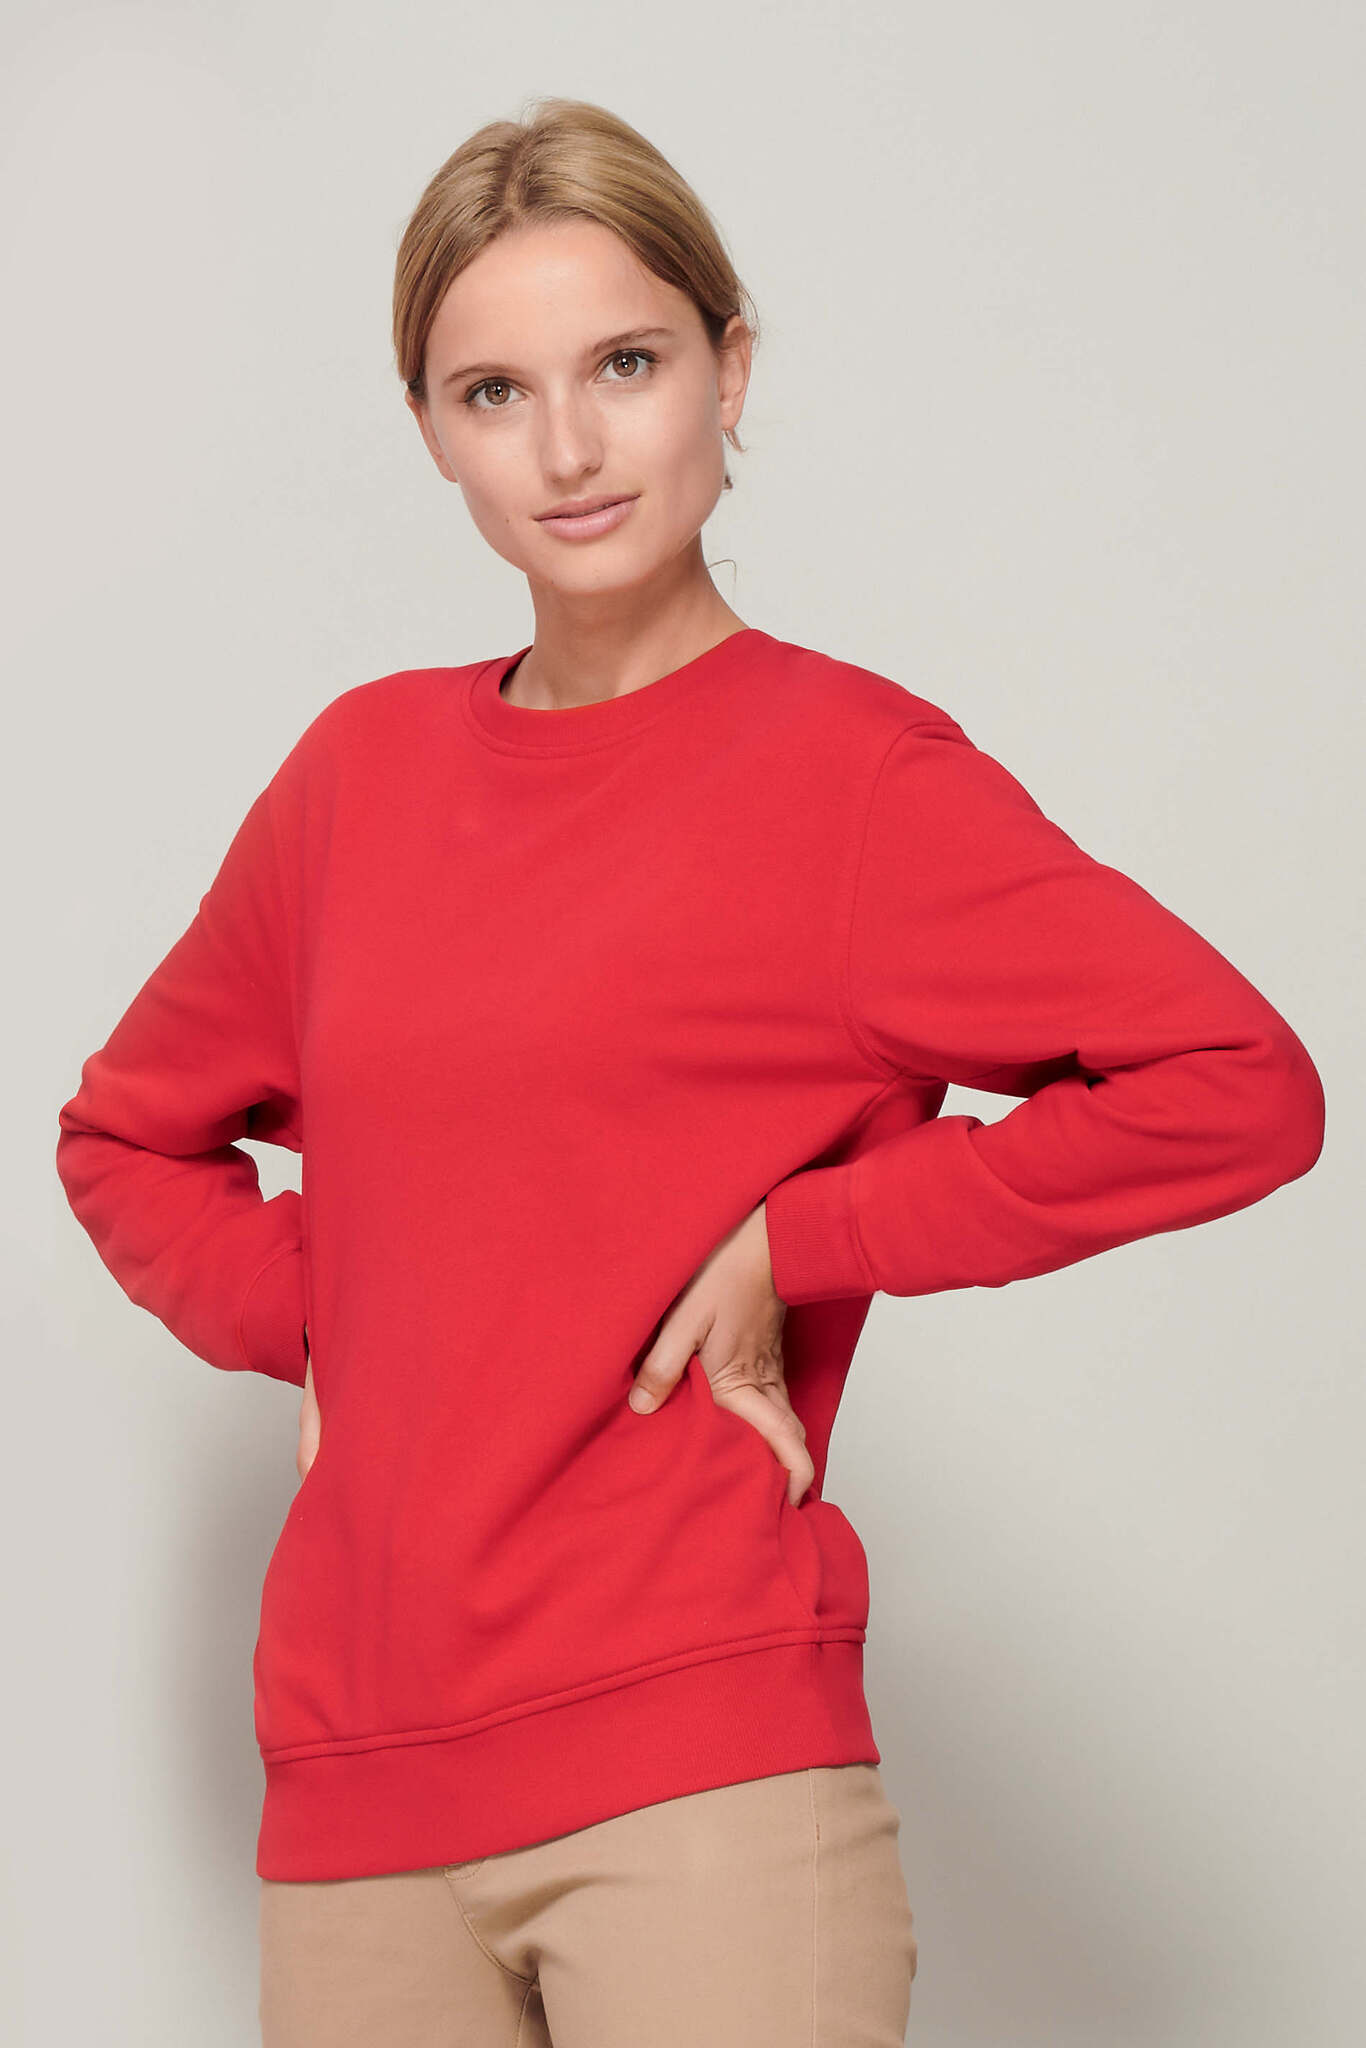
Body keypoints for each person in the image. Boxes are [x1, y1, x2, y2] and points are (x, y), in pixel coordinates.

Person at [54, 95, 1326, 2048]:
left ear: (729, 373)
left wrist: (810, 1236)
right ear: (430, 431)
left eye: (625, 365)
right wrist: (335, 1317)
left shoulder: (852, 782)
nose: (567, 448)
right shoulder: (356, 782)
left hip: (697, 1783)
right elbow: (125, 1137)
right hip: (356, 1789)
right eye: (494, 391)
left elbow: (1235, 1080)